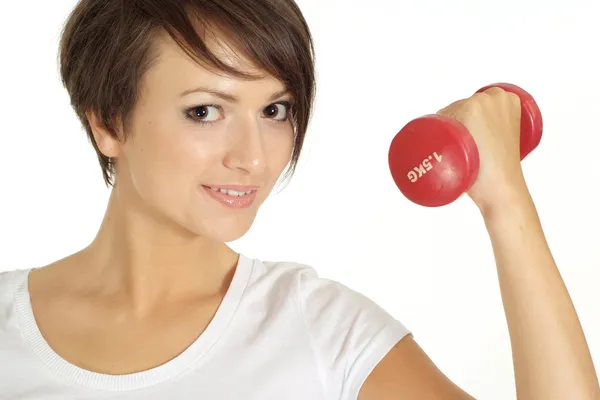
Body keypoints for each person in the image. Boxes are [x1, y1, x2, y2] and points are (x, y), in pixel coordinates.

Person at [0, 0, 598, 398]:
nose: (253, 156)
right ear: (108, 123)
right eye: (205, 111)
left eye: (275, 110)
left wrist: (504, 198)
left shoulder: (321, 331)